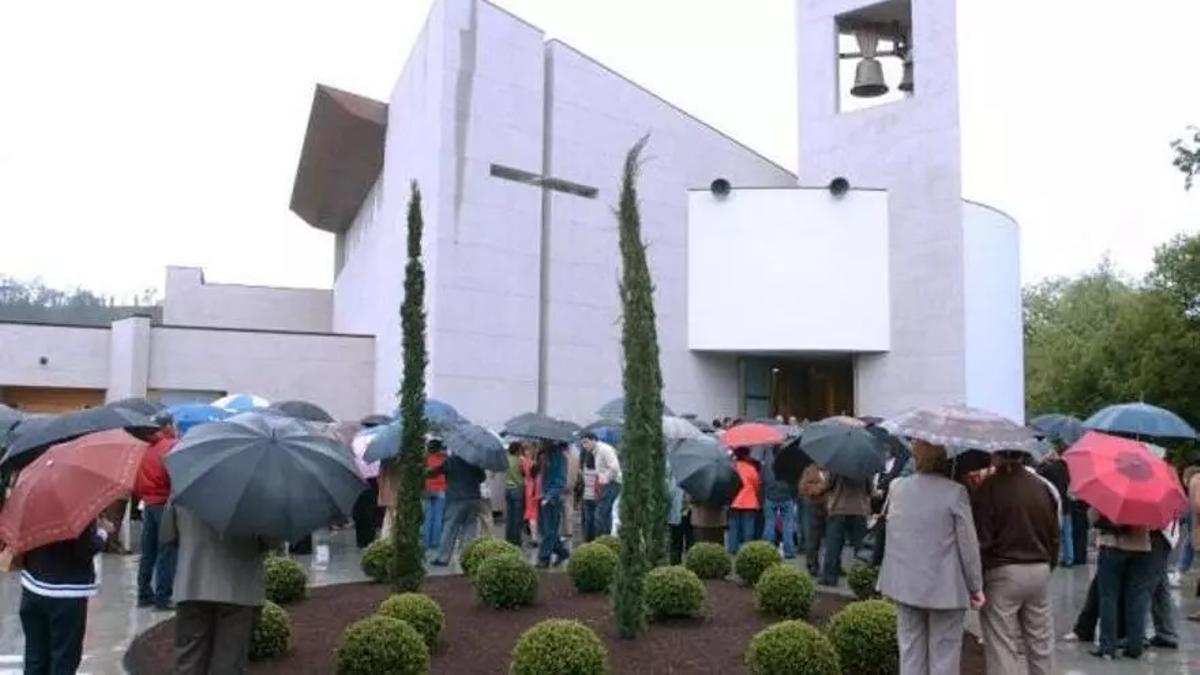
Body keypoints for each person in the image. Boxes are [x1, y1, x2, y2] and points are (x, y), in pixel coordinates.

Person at [878, 440, 984, 675]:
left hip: (904, 581)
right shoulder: (955, 492)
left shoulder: (897, 488)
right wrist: (976, 585)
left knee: (910, 649)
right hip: (945, 585)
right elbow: (968, 545)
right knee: (945, 653)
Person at [972, 450, 1059, 675]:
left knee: (1002, 645)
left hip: (1003, 571)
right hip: (1040, 568)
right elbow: (1054, 534)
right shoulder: (1044, 487)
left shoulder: (989, 488)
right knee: (1041, 644)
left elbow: (983, 539)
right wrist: (1050, 565)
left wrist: (975, 580)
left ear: (996, 455)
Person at [166, 504, 273, 674]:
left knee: (188, 662)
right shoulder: (256, 492)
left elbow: (167, 534)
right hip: (238, 588)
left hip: (193, 583)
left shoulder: (184, 486)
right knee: (229, 664)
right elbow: (270, 539)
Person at [20, 517, 114, 674]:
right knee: (64, 659)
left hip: (33, 588)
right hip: (66, 593)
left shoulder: (30, 506)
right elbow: (86, 549)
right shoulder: (77, 511)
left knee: (35, 657)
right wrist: (102, 532)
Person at [1092, 512, 1154, 660]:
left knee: (1108, 596)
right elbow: (1154, 524)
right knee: (1137, 597)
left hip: (1112, 545)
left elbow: (1093, 516)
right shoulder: (1148, 490)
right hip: (1140, 546)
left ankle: (1107, 648)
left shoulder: (1109, 489)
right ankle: (1135, 647)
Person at [134, 411, 178, 610]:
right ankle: (162, 597)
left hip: (148, 504)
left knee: (148, 551)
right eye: (173, 425)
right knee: (167, 551)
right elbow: (174, 476)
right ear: (167, 426)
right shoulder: (170, 446)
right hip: (164, 505)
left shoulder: (145, 448)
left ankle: (144, 595)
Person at [431, 454, 486, 566]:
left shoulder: (450, 461)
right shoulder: (474, 460)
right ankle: (467, 558)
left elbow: (435, 472)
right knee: (470, 529)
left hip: (456, 498)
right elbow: (482, 478)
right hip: (473, 497)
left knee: (450, 527)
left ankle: (443, 558)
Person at [820, 473, 870, 586]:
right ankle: (864, 580)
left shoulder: (837, 465)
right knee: (861, 548)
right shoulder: (865, 466)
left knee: (833, 545)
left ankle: (829, 577)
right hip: (859, 510)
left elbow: (828, 484)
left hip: (839, 509)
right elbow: (870, 490)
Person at [1037, 446, 1074, 567]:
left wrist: (1044, 460)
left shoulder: (1051, 468)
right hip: (1067, 504)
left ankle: (1055, 557)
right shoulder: (1069, 469)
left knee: (1055, 533)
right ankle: (1069, 558)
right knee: (1067, 534)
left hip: (1055, 504)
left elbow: (1038, 473)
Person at [536, 441, 571, 567]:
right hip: (542, 497)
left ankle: (544, 558)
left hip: (552, 499)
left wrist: (549, 496)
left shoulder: (560, 457)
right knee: (544, 529)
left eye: (542, 439)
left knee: (549, 530)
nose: (540, 441)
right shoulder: (545, 455)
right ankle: (562, 552)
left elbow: (560, 481)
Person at [581, 432, 622, 539]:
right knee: (605, 513)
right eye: (583, 444)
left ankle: (601, 539)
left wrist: (606, 478)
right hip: (607, 484)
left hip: (612, 483)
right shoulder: (596, 451)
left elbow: (615, 467)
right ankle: (605, 539)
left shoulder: (604, 449)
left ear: (594, 440)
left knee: (600, 513)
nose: (585, 446)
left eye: (586, 442)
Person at [760, 447, 797, 558]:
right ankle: (789, 551)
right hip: (786, 496)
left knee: (769, 523)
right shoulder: (790, 464)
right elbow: (794, 480)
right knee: (788, 524)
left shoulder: (767, 465)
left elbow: (762, 480)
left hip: (770, 496)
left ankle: (768, 550)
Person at [726, 447, 761, 554]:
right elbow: (756, 485)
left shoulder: (731, 468)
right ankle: (747, 550)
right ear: (747, 455)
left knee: (733, 527)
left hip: (734, 501)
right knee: (748, 528)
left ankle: (732, 549)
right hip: (749, 501)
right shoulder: (751, 468)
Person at [800, 462, 829, 577]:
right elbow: (804, 489)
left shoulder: (832, 471)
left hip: (829, 508)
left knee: (832, 540)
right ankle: (812, 564)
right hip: (814, 508)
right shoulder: (809, 471)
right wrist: (821, 487)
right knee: (813, 538)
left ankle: (834, 565)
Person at [421, 440, 448, 552]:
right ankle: (436, 542)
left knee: (428, 516)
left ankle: (426, 541)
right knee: (438, 516)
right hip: (441, 489)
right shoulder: (444, 458)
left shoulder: (424, 459)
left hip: (427, 489)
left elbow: (422, 473)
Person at [503, 442, 526, 546]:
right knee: (517, 517)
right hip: (518, 488)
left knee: (510, 516)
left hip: (508, 488)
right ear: (517, 450)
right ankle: (517, 541)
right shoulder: (520, 460)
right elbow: (524, 474)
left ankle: (508, 539)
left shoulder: (506, 459)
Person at [576, 444, 599, 542]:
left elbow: (580, 480)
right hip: (595, 496)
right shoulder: (598, 471)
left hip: (586, 496)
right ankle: (594, 536)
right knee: (595, 518)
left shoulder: (585, 470)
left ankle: (587, 538)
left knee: (587, 519)